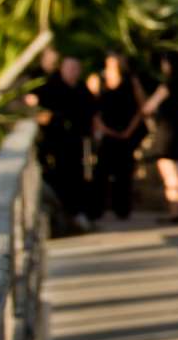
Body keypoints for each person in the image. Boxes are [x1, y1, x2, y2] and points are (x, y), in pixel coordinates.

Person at [26, 50, 93, 228]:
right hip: (54, 143)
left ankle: (77, 214)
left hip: (76, 142)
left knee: (77, 178)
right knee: (57, 179)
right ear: (62, 68)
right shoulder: (50, 86)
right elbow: (37, 108)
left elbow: (91, 112)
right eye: (69, 67)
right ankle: (62, 218)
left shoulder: (82, 88)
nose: (72, 71)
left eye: (75, 68)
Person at [89, 53, 146, 221]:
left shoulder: (131, 81)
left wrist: (129, 130)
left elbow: (141, 107)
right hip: (107, 133)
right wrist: (103, 128)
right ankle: (96, 209)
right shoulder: (98, 81)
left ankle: (122, 209)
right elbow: (91, 107)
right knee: (101, 172)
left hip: (126, 132)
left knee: (124, 173)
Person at [143, 48, 178, 223]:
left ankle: (175, 210)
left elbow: (148, 107)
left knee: (169, 169)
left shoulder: (167, 85)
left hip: (167, 128)